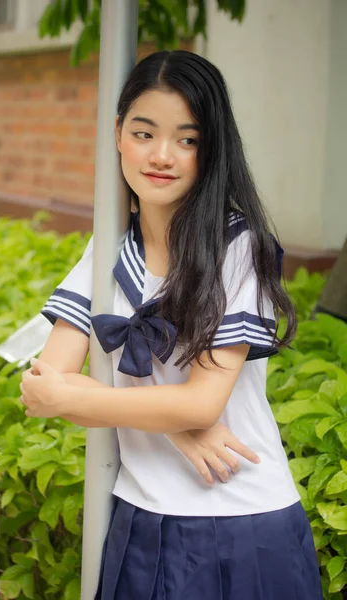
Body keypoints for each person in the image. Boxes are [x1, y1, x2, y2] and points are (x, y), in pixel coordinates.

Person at [20, 51, 323, 600]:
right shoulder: (108, 247)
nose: (162, 156)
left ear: (213, 149)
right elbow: (44, 383)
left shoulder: (238, 244)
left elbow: (200, 404)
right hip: (140, 518)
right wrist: (179, 426)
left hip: (241, 519)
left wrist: (183, 416)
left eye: (188, 139)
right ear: (117, 133)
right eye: (144, 133)